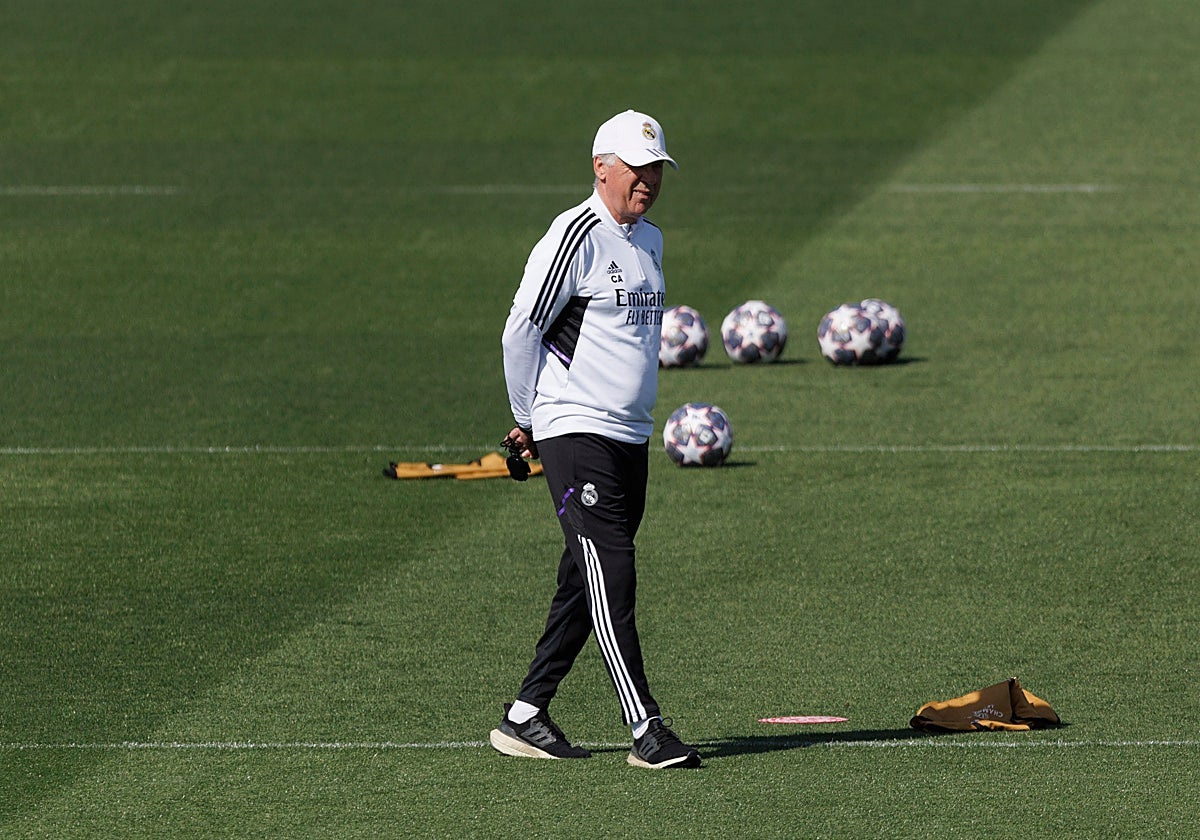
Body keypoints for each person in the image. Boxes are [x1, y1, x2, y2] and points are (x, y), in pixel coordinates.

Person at [490, 110, 701, 770]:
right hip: (575, 426)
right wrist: (528, 421)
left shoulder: (650, 240)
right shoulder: (574, 235)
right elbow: (521, 331)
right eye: (636, 169)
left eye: (656, 170)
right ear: (600, 168)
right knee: (614, 569)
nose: (648, 181)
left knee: (587, 578)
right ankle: (646, 729)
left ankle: (525, 713)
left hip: (630, 434)